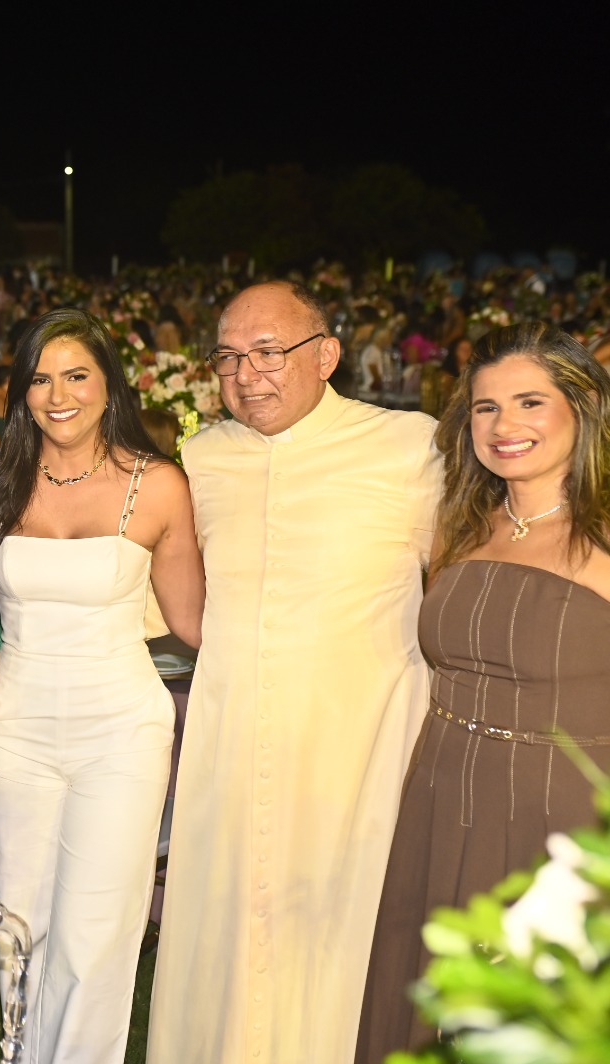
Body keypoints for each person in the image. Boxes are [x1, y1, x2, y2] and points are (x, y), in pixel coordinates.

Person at [147, 281, 441, 1064]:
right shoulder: (202, 459)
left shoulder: (410, 446)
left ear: (327, 356)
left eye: (268, 352)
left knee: (346, 938)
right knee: (230, 934)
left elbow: (461, 584)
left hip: (362, 750)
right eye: (228, 358)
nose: (246, 375)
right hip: (235, 743)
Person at [356, 323, 610, 1060]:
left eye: (530, 402)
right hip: (441, 801)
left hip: (561, 819)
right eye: (485, 407)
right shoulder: (463, 524)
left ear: (583, 407)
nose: (504, 425)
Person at [0, 310, 203, 1063]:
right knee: (21, 922)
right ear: (20, 391)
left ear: (109, 386)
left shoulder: (157, 485)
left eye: (76, 376)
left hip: (120, 731)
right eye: (40, 379)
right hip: (17, 730)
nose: (58, 395)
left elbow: (195, 623)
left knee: (99, 930)